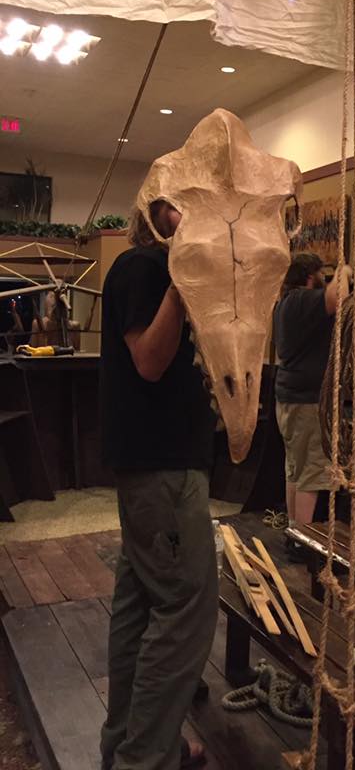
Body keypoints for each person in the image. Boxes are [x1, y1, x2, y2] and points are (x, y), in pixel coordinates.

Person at [99, 200, 217, 770]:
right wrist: (182, 275)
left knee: (142, 605)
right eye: (184, 201)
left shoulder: (147, 269)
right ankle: (145, 757)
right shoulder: (144, 267)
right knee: (186, 607)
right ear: (157, 208)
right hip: (163, 470)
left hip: (156, 468)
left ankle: (129, 745)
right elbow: (148, 360)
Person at [273, 253, 351, 559]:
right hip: (306, 402)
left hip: (290, 398)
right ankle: (302, 542)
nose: (325, 279)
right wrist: (346, 269)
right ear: (310, 276)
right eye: (322, 274)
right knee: (310, 474)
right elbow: (336, 296)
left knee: (295, 469)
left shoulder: (285, 303)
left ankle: (294, 533)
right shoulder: (302, 301)